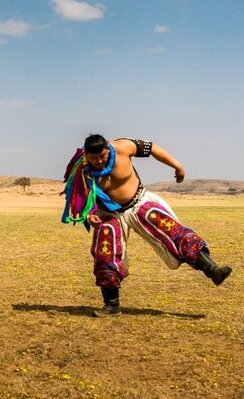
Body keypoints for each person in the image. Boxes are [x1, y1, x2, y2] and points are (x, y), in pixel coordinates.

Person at [62, 134, 232, 317]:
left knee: (173, 232)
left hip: (139, 203)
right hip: (110, 213)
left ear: (107, 147)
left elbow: (152, 149)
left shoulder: (123, 147)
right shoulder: (81, 171)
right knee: (104, 251)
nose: (99, 161)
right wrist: (90, 216)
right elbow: (82, 199)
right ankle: (111, 305)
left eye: (102, 156)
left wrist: (177, 165)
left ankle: (212, 270)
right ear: (86, 154)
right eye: (93, 158)